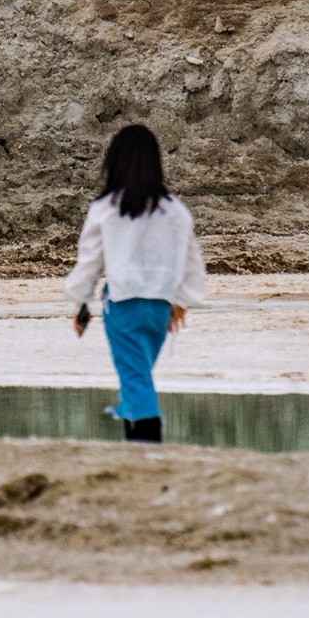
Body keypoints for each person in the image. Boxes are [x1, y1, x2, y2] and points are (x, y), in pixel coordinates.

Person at [64, 124, 208, 443]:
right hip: (160, 308)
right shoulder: (176, 211)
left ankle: (147, 451)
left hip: (123, 306)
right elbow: (193, 263)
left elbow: (89, 264)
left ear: (113, 162)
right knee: (138, 377)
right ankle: (135, 443)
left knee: (135, 378)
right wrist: (181, 300)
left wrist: (79, 304)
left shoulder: (105, 209)